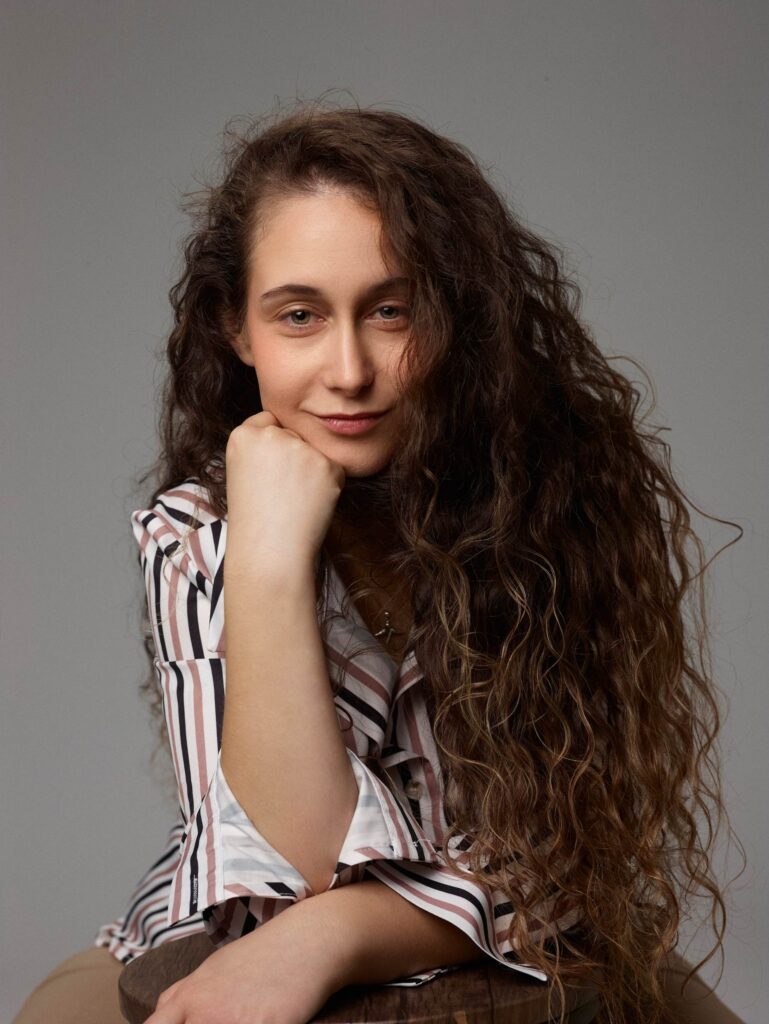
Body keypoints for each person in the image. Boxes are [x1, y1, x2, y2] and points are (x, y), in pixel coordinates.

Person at [13, 99, 747, 1024]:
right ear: (236, 329)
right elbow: (290, 869)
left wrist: (334, 933)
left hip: (526, 949)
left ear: (455, 319)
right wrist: (269, 562)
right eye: (299, 315)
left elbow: (568, 864)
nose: (349, 370)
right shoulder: (193, 533)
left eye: (391, 311)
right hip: (218, 943)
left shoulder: (565, 500)